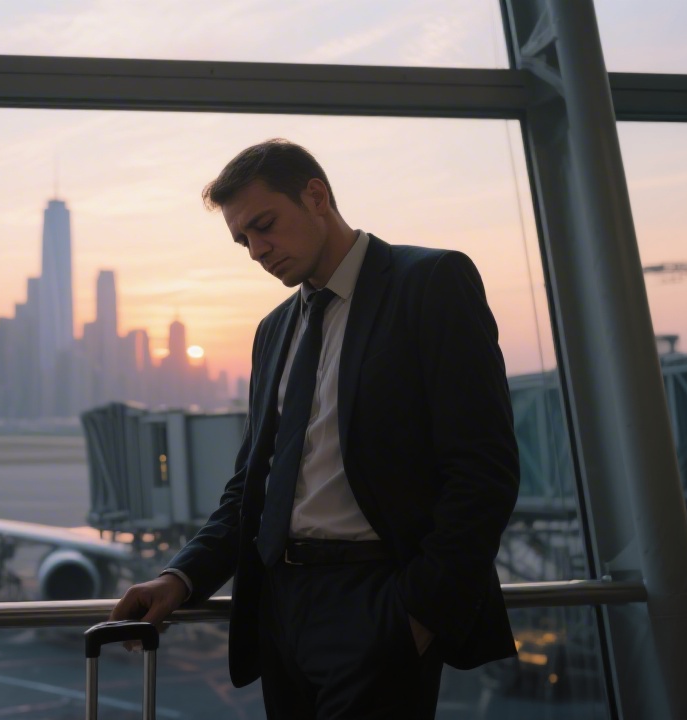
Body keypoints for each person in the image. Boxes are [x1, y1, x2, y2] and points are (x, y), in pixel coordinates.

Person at [108, 139, 520, 718]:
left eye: (265, 225)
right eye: (242, 239)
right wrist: (181, 577)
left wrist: (419, 615)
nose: (256, 250)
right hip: (281, 606)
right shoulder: (274, 330)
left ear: (316, 195)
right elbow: (252, 488)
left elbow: (485, 470)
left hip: (379, 599)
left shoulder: (429, 282)